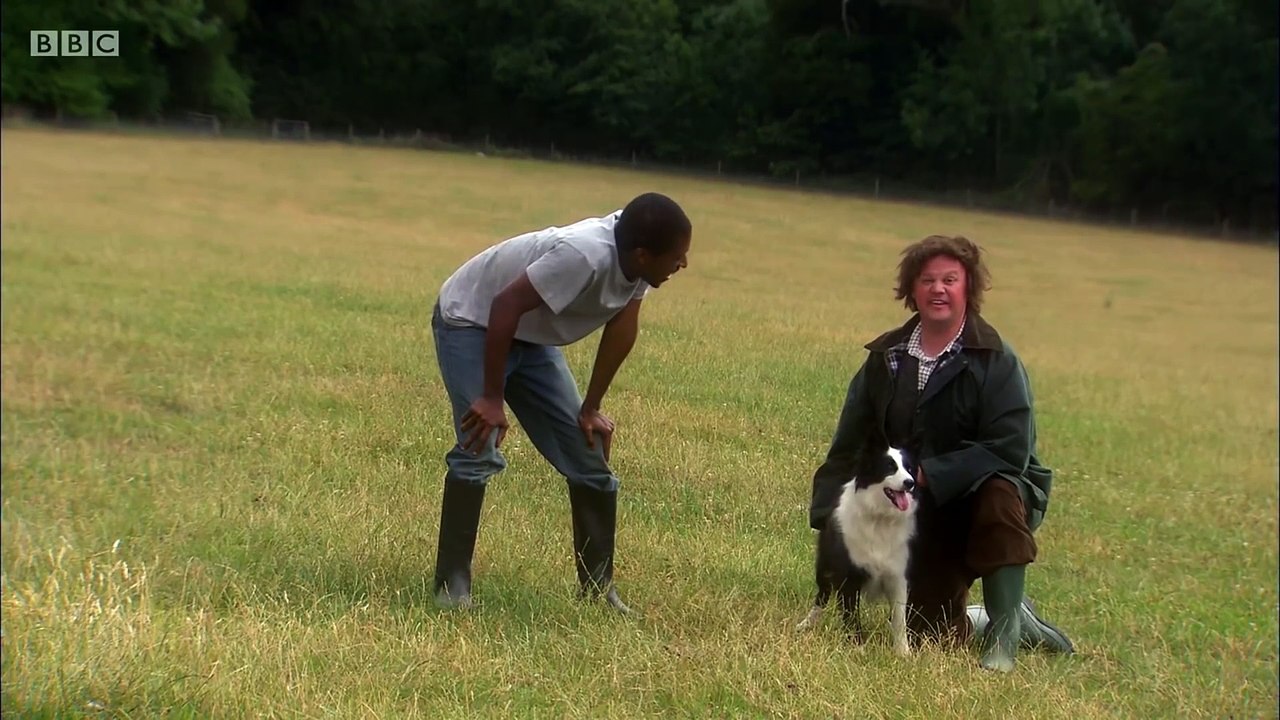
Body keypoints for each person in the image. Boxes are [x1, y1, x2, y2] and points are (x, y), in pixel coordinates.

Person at [807, 235, 1075, 672]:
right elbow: (852, 444)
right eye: (927, 279)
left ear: (969, 288)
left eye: (950, 279)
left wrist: (933, 473)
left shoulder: (997, 360)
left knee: (999, 491)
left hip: (986, 504)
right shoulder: (884, 358)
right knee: (927, 632)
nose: (938, 289)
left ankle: (1005, 635)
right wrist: (829, 516)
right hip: (914, 510)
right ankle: (1000, 617)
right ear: (911, 290)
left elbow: (1010, 448)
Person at [429, 192, 692, 615]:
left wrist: (591, 407)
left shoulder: (638, 261)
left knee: (588, 457)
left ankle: (597, 590)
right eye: (677, 256)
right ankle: (452, 586)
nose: (683, 264)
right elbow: (504, 305)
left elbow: (622, 327)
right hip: (472, 320)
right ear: (643, 255)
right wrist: (492, 397)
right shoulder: (583, 255)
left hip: (531, 336)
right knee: (479, 443)